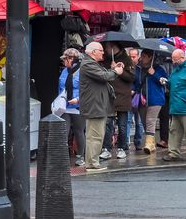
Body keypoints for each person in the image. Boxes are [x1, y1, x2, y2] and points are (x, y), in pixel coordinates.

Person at [79, 41, 123, 172]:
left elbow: (104, 75)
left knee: (95, 135)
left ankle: (92, 162)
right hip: (94, 106)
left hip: (97, 106)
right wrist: (116, 72)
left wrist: (113, 69)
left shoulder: (91, 64)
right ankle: (92, 163)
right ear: (93, 52)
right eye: (101, 50)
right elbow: (105, 76)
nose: (103, 53)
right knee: (95, 136)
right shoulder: (88, 64)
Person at [103, 44, 135, 160]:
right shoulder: (106, 59)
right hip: (109, 96)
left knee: (122, 125)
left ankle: (122, 147)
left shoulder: (127, 60)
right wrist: (111, 70)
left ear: (113, 47)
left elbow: (131, 78)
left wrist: (119, 72)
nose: (105, 49)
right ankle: (106, 148)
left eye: (106, 47)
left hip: (122, 97)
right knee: (107, 124)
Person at [134, 50, 168, 154]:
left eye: (144, 56)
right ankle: (152, 144)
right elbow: (136, 82)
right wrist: (134, 89)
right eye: (141, 56)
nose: (142, 58)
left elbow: (165, 82)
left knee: (150, 121)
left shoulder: (159, 68)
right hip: (141, 99)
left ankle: (148, 144)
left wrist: (155, 74)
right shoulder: (138, 69)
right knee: (145, 122)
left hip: (155, 99)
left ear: (150, 57)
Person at [58, 48, 86, 166]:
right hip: (66, 105)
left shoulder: (82, 71)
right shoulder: (64, 71)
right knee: (64, 131)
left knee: (79, 131)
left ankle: (81, 156)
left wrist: (78, 99)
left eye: (65, 59)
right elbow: (60, 87)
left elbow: (86, 89)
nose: (64, 61)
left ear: (71, 59)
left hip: (78, 105)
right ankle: (62, 157)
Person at [126, 47, 144, 151]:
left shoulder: (140, 69)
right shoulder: (126, 68)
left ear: (138, 56)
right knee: (127, 120)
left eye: (134, 56)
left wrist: (134, 89)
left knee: (139, 122)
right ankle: (126, 143)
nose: (132, 58)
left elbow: (141, 83)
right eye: (130, 56)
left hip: (137, 97)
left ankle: (138, 142)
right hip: (128, 98)